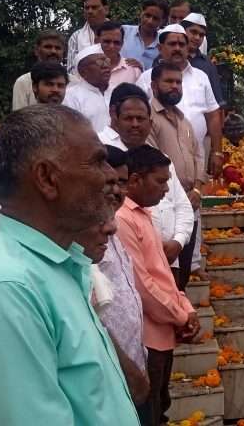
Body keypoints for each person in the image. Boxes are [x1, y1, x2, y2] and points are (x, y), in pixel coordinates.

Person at [0, 104, 139, 425]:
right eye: (97, 161)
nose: (111, 176)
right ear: (46, 178)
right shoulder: (6, 289)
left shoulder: (61, 266)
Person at [116, 145, 200, 425]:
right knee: (149, 411)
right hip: (147, 337)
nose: (166, 190)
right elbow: (142, 286)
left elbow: (162, 271)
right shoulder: (122, 220)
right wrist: (180, 316)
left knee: (160, 406)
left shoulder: (144, 215)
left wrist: (186, 308)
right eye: (160, 181)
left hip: (163, 332)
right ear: (135, 180)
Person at [98, 83, 195, 285]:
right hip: (125, 260)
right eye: (129, 118)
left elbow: (182, 206)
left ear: (150, 123)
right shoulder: (101, 154)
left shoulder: (160, 158)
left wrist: (178, 241)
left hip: (169, 259)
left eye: (141, 119)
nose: (135, 124)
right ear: (114, 117)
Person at [92, 145, 151, 425]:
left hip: (134, 360)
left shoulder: (112, 228)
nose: (117, 191)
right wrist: (125, 368)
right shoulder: (81, 236)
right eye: (109, 183)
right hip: (108, 371)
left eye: (122, 183)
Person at [147, 62, 206, 289]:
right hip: (164, 203)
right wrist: (183, 195)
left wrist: (198, 189)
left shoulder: (183, 120)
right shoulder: (147, 118)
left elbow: (199, 155)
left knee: (184, 272)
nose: (175, 86)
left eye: (178, 82)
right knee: (165, 275)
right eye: (169, 81)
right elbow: (153, 161)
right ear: (154, 85)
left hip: (191, 202)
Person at [136, 24, 223, 177]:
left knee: (196, 190)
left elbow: (213, 115)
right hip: (157, 160)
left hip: (197, 156)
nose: (177, 48)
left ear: (187, 48)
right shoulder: (146, 78)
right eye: (172, 44)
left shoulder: (201, 76)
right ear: (160, 48)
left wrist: (217, 152)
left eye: (181, 44)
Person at [12, 29, 67, 110]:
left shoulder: (74, 82)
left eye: (58, 48)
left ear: (63, 52)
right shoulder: (23, 82)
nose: (53, 51)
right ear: (37, 51)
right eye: (48, 47)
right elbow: (18, 116)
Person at [63, 43, 112, 132]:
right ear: (83, 71)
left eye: (107, 60)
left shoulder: (116, 91)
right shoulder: (70, 96)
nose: (105, 66)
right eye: (100, 62)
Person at [181, 12, 226, 108]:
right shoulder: (168, 57)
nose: (197, 37)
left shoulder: (208, 64)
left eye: (201, 35)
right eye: (193, 32)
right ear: (183, 31)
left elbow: (217, 102)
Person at [67, 0, 110, 74]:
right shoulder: (76, 37)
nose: (90, 11)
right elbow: (71, 70)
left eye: (94, 7)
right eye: (87, 8)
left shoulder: (120, 33)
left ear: (106, 10)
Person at [121, 0, 168, 69]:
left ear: (162, 21)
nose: (150, 21)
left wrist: (142, 68)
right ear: (141, 13)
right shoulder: (124, 32)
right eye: (147, 15)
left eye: (155, 18)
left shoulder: (164, 43)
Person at [96, 21, 141, 87]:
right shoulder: (88, 68)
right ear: (97, 41)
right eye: (107, 41)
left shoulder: (134, 71)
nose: (111, 46)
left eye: (116, 42)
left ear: (122, 43)